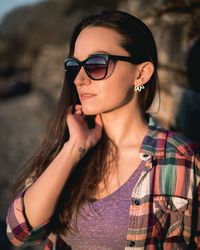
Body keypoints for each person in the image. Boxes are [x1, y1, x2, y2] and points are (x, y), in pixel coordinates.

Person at [6, 10, 200, 250]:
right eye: (73, 66)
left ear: (141, 74)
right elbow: (20, 233)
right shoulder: (70, 144)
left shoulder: (183, 160)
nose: (79, 79)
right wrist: (74, 148)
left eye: (96, 65)